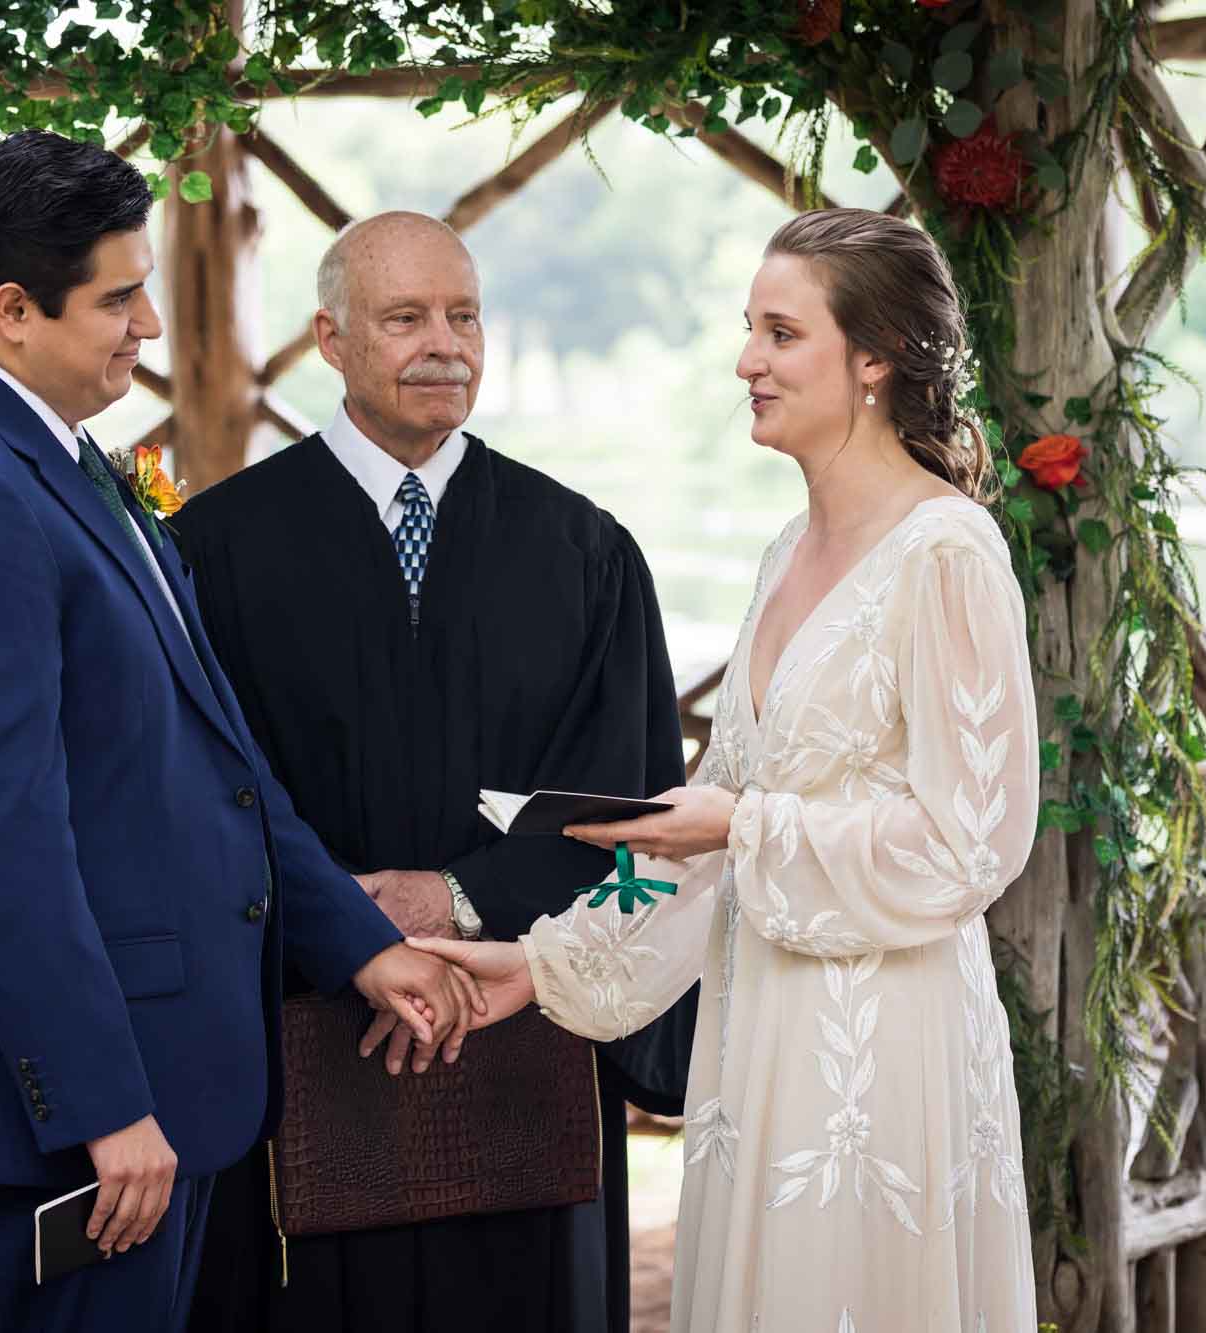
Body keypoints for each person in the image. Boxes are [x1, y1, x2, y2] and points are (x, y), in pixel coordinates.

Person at [0, 132, 474, 1333]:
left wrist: (355, 943)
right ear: (13, 310)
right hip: (74, 1119)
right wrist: (96, 1103)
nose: (148, 328)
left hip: (155, 1079)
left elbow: (217, 765)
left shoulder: (63, 464)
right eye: (118, 298)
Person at [413, 207, 1042, 1331]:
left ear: (872, 360)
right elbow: (704, 839)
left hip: (880, 1052)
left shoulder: (946, 554)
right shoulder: (782, 554)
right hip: (757, 1039)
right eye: (747, 328)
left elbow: (971, 843)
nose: (743, 360)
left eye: (778, 333)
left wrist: (740, 827)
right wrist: (541, 963)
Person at [173, 211, 694, 1333]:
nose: (442, 344)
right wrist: (351, 930)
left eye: (462, 315)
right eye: (404, 318)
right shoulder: (214, 549)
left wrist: (449, 901)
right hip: (301, 1040)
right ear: (331, 336)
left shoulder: (582, 552)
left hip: (520, 1038)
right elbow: (202, 794)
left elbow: (630, 806)